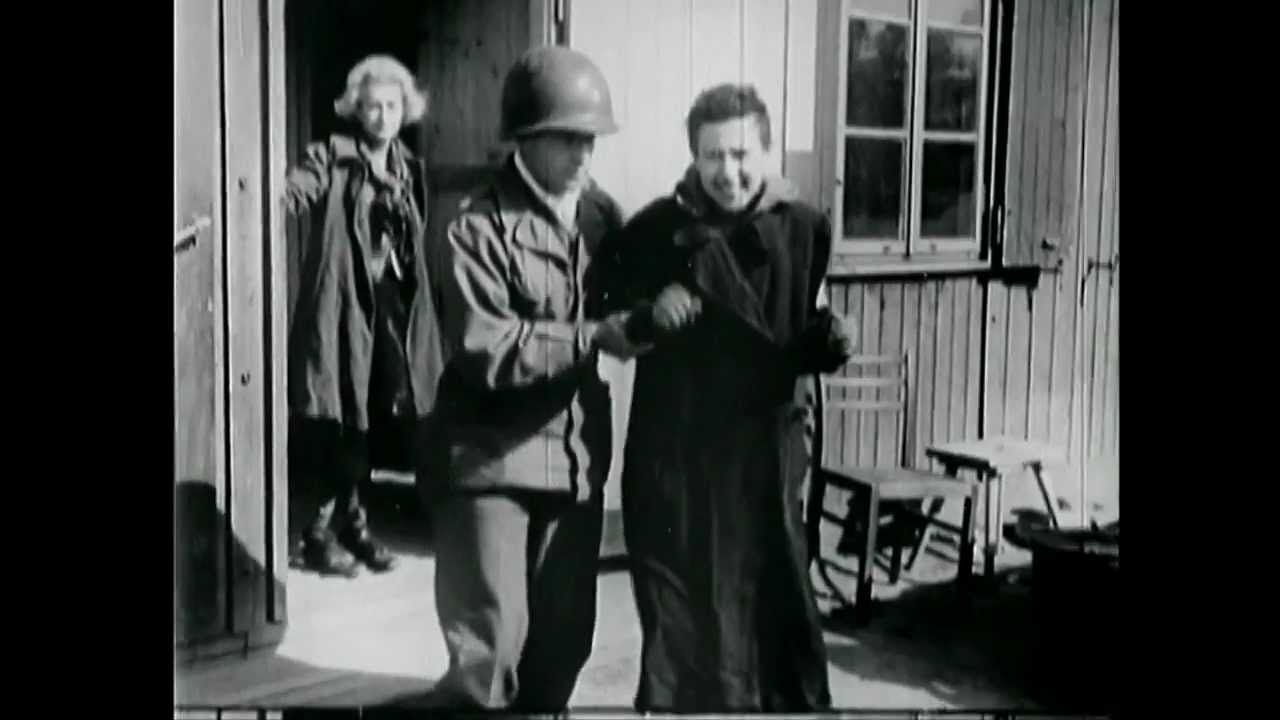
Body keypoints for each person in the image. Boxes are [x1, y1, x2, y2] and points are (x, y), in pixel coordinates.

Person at [597, 83, 856, 711]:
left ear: (766, 151)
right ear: (693, 156)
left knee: (771, 634)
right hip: (676, 464)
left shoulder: (803, 229)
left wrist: (831, 339)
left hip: (763, 460)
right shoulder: (654, 231)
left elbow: (807, 321)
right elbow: (605, 322)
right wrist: (647, 316)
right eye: (712, 155)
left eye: (741, 154)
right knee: (683, 638)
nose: (728, 171)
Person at [417, 46, 643, 710]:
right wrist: (590, 336)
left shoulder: (601, 217)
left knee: (564, 643)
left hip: (573, 463)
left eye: (591, 140)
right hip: (492, 462)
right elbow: (483, 346)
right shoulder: (474, 225)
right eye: (567, 138)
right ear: (524, 138)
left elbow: (637, 293)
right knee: (488, 653)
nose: (583, 154)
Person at [283, 54, 445, 578]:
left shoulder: (407, 167)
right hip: (344, 308)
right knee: (336, 421)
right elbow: (295, 191)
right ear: (356, 109)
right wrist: (269, 196)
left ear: (406, 109)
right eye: (372, 106)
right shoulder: (331, 156)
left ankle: (354, 525)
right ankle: (316, 533)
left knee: (373, 415)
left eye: (392, 106)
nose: (382, 116)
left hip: (392, 311)